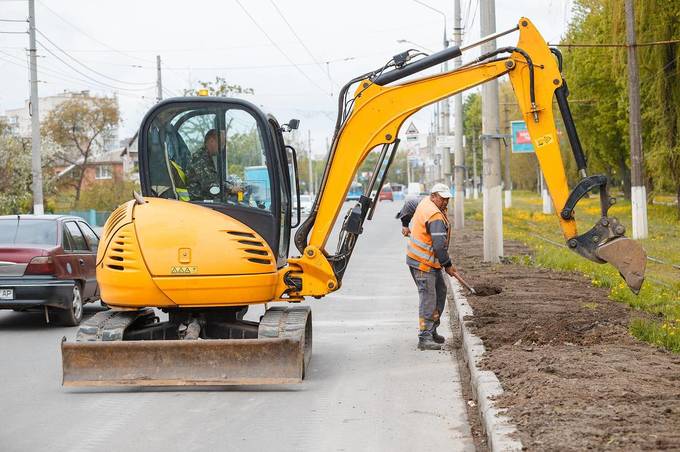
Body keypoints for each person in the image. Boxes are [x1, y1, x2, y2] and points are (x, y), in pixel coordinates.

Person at [404, 183, 457, 351]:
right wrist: (448, 265)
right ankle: (424, 336)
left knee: (440, 291)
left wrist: (405, 224)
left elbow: (408, 204)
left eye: (447, 198)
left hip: (426, 262)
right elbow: (439, 247)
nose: (445, 201)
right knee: (429, 297)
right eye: (442, 198)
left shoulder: (424, 202)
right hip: (422, 263)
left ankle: (432, 329)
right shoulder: (434, 215)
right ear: (433, 196)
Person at [186, 129, 220, 200]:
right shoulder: (200, 158)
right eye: (221, 143)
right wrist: (230, 189)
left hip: (205, 200)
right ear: (211, 141)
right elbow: (211, 187)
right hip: (199, 203)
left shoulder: (207, 157)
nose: (222, 147)